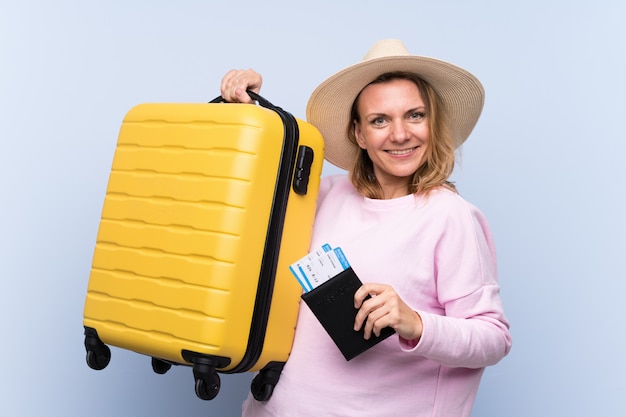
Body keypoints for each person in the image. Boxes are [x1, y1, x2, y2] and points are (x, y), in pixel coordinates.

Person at [220, 39, 512, 417]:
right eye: (379, 120)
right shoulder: (323, 195)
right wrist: (245, 113)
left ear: (432, 123)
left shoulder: (450, 217)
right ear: (358, 133)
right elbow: (242, 204)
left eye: (415, 115)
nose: (400, 134)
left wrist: (416, 323)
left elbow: (494, 338)